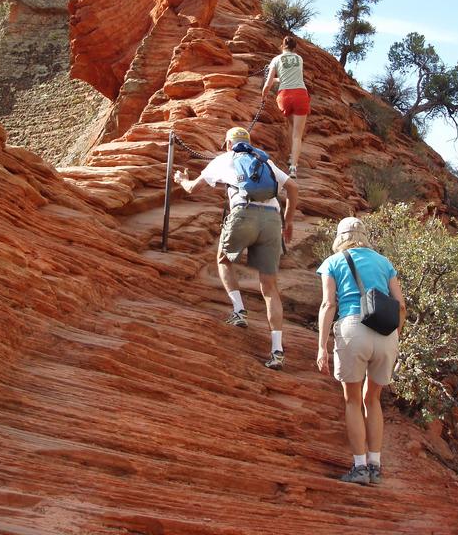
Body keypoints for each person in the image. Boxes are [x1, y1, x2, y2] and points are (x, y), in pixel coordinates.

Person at [174, 126, 298, 370]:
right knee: (270, 287)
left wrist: (181, 179)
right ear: (249, 143)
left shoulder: (225, 159)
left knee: (223, 259)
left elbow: (192, 189)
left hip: (243, 213)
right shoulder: (264, 160)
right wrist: (289, 220)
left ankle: (239, 311)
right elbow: (293, 187)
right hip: (272, 218)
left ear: (228, 143)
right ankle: (277, 351)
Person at [316, 217, 406, 485]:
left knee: (353, 400)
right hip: (386, 332)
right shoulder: (384, 262)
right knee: (373, 400)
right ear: (364, 235)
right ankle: (376, 466)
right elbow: (400, 305)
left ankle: (360, 468)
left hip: (353, 328)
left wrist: (322, 345)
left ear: (340, 236)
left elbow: (327, 304)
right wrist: (395, 337)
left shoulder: (332, 262)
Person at [261, 35, 310, 179]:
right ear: (295, 48)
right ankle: (293, 168)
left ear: (282, 46)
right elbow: (293, 76)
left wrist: (264, 94)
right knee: (297, 135)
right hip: (300, 94)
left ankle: (290, 155)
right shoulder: (299, 59)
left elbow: (269, 83)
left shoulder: (276, 60)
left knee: (291, 124)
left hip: (285, 96)